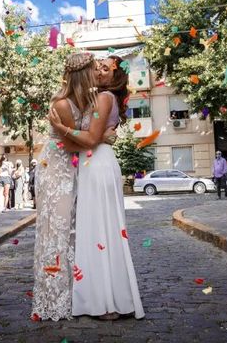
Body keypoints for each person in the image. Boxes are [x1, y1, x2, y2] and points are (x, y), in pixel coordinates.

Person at [49, 55, 145, 321]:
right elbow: (97, 135)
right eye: (98, 67)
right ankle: (108, 298)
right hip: (98, 162)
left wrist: (61, 127)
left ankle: (106, 303)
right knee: (103, 230)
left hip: (97, 163)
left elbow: (91, 138)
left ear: (116, 76)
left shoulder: (104, 98)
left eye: (105, 69)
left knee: (100, 231)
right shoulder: (103, 98)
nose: (99, 72)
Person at [32, 52, 103, 321]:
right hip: (56, 171)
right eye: (94, 70)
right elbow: (74, 144)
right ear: (83, 75)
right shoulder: (62, 104)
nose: (97, 73)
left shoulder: (88, 101)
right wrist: (99, 138)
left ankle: (77, 294)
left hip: (73, 169)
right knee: (57, 230)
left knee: (74, 230)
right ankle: (54, 300)